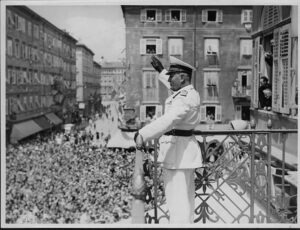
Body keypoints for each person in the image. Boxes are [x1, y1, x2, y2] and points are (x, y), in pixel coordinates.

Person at [134, 55, 202, 224]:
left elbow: (169, 119)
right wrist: (160, 70)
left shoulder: (184, 97)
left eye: (172, 76)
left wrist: (143, 134)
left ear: (183, 78)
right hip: (183, 153)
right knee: (184, 200)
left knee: (176, 201)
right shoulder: (187, 93)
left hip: (178, 154)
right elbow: (174, 88)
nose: (169, 79)